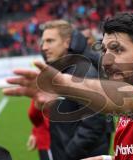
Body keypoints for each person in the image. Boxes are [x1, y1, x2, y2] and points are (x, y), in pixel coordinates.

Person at [3, 13, 133, 160]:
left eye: (118, 50)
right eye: (105, 50)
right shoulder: (130, 109)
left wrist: (65, 85)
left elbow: (130, 99)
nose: (106, 60)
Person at [31, 20, 109, 160]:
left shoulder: (82, 72)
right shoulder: (64, 70)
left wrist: (67, 154)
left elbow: (92, 125)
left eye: (50, 41)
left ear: (67, 43)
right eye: (43, 42)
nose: (44, 47)